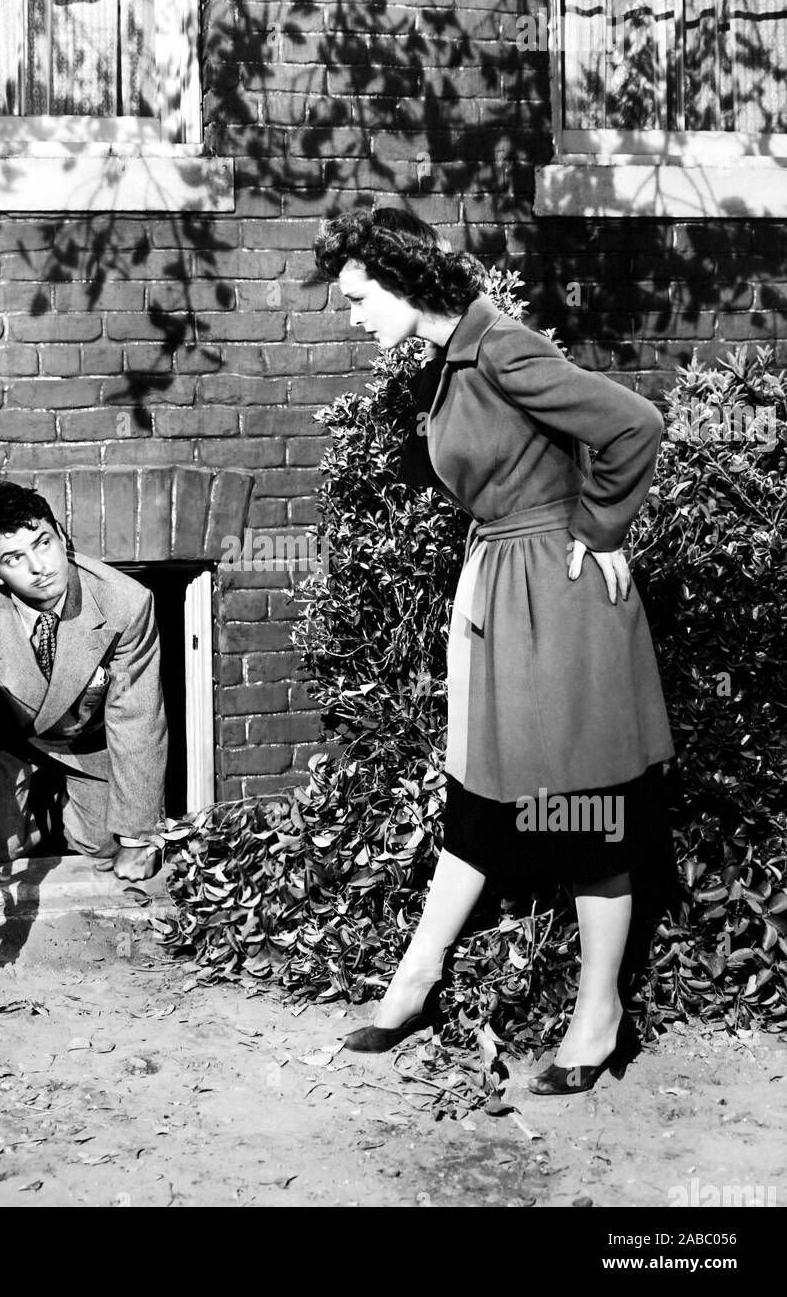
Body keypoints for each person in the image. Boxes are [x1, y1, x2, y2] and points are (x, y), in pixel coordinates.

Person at [313, 208, 675, 1094]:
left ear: (406, 281)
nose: (354, 314)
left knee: (581, 806)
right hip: (507, 594)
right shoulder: (454, 358)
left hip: (556, 601)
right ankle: (416, 980)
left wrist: (599, 529)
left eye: (361, 298)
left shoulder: (501, 348)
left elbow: (633, 423)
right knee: (482, 795)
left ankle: (599, 1016)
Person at [0, 481, 167, 889]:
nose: (39, 567)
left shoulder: (125, 604)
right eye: (13, 558)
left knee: (105, 851)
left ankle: (73, 815)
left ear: (62, 536)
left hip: (87, 743)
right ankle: (29, 818)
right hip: (8, 743)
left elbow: (137, 719)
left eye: (43, 543)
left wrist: (139, 837)